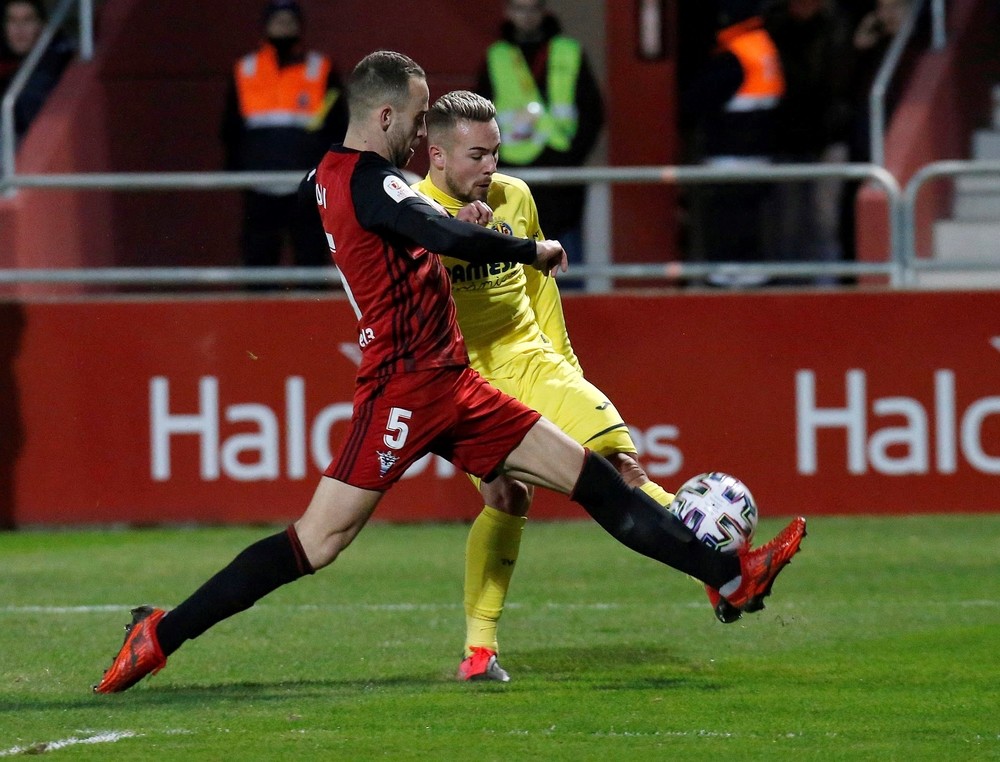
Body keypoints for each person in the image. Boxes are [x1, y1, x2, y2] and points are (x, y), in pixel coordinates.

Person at [93, 50, 806, 694]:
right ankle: (159, 634)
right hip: (404, 388)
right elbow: (434, 229)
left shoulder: (334, 174)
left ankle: (730, 576)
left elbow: (395, 213)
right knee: (318, 542)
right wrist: (528, 251)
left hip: (456, 383)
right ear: (382, 115)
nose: (417, 138)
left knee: (591, 478)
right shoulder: (372, 184)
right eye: (410, 119)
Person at [413, 90, 750, 682]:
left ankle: (724, 567)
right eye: (476, 156)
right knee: (506, 498)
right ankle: (480, 650)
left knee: (621, 465)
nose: (491, 168)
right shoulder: (412, 212)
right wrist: (450, 237)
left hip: (532, 359)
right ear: (436, 155)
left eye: (496, 152)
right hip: (468, 376)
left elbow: (540, 286)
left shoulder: (515, 196)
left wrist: (565, 366)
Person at [475, 0, 604, 288]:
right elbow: (479, 116)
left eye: (533, 8)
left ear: (544, 11)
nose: (526, 16)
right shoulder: (496, 57)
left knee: (568, 263)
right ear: (509, 12)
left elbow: (593, 112)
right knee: (516, 267)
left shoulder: (569, 52)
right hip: (513, 175)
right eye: (520, 8)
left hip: (562, 178)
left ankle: (575, 321)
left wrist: (572, 157)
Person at [220, 0, 348, 281]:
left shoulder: (321, 69)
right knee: (257, 266)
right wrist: (238, 170)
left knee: (311, 263)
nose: (284, 27)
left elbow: (338, 124)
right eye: (278, 21)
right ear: (265, 26)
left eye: (289, 21)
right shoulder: (246, 69)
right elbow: (231, 127)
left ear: (300, 26)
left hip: (306, 186)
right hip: (258, 187)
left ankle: (312, 325)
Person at [679, 0, 785, 287]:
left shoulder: (735, 55)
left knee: (729, 226)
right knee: (750, 226)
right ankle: (752, 282)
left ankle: (730, 284)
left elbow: (695, 100)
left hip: (731, 153)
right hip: (760, 152)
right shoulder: (762, 45)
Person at [764, 0, 853, 283]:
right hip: (785, 138)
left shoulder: (837, 24)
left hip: (828, 137)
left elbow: (838, 79)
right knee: (786, 222)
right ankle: (789, 293)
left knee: (824, 222)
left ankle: (826, 292)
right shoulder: (772, 26)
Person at [0, 0, 73, 146]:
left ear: (41, 25)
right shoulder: (7, 64)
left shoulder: (52, 65)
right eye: (12, 20)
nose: (19, 29)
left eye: (28, 20)